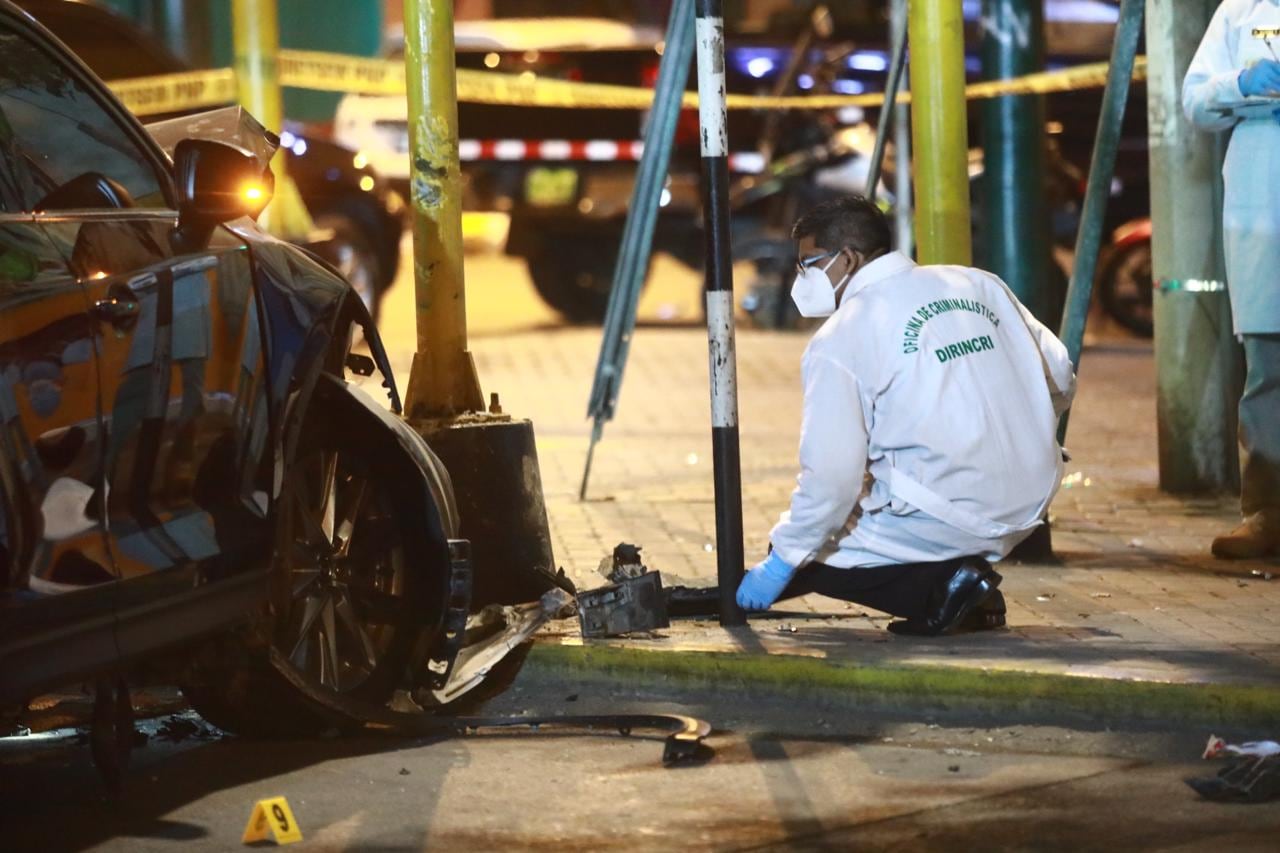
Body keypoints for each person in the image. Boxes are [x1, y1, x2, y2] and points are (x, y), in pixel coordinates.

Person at [736, 196, 1075, 635]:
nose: (802, 279)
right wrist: (1023, 426)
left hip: (953, 512)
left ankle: (942, 586)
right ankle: (963, 585)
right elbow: (1060, 374)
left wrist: (783, 559)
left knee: (811, 550)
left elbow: (831, 479)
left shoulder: (842, 336)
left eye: (810, 264)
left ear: (848, 259)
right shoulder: (978, 284)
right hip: (1035, 494)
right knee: (830, 524)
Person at [1184, 2, 1280, 559]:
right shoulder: (1243, 10)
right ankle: (1268, 513)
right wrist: (1241, 83)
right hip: (1262, 208)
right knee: (1270, 368)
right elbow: (1196, 100)